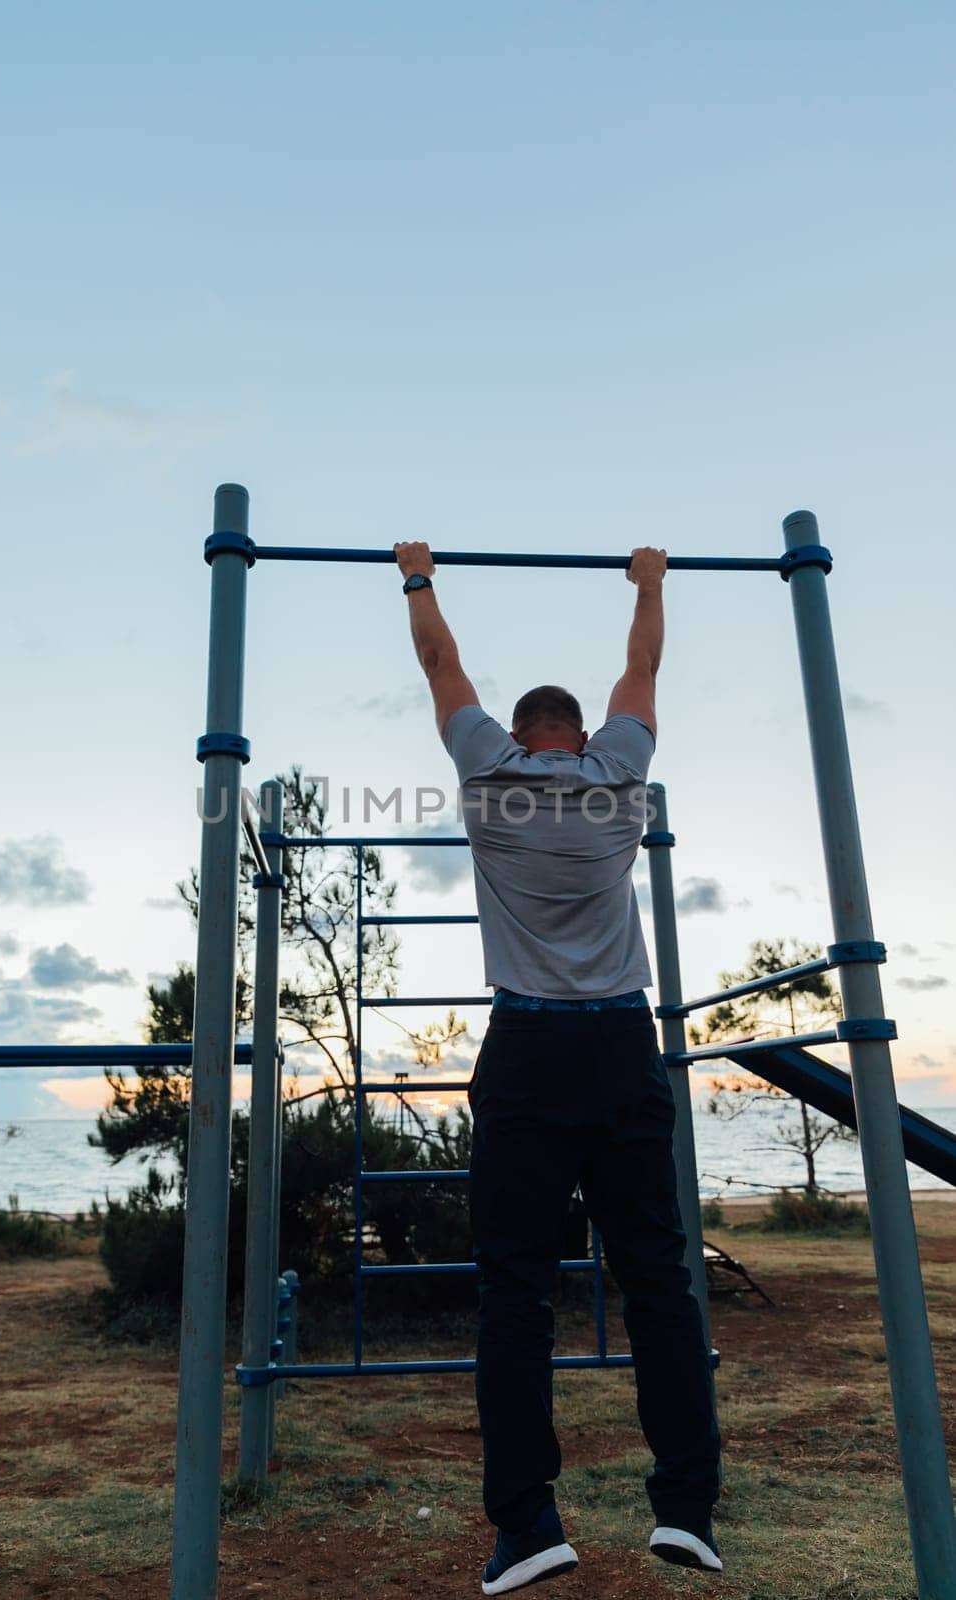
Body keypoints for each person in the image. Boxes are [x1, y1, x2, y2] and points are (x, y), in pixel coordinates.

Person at [394, 539, 723, 1595]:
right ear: (578, 736)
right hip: (622, 1043)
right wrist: (649, 585)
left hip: (529, 1049)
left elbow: (441, 661)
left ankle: (528, 1523)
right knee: (660, 1284)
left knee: (514, 1294)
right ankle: (684, 1511)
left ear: (515, 734)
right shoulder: (618, 774)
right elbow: (643, 668)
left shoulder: (487, 775)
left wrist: (415, 575)